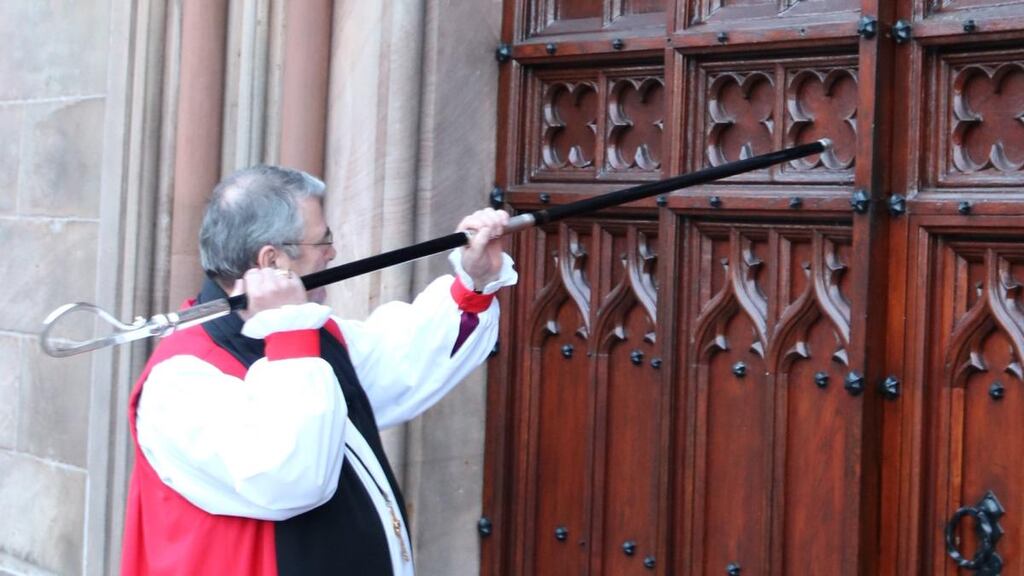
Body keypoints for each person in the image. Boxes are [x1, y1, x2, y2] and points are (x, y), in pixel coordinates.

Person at [120, 165, 517, 575]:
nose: (332, 253)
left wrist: (475, 280)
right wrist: (288, 332)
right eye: (322, 240)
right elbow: (291, 478)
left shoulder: (312, 337)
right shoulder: (182, 381)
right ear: (271, 260)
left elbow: (397, 361)